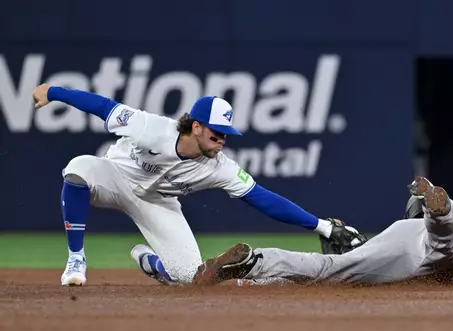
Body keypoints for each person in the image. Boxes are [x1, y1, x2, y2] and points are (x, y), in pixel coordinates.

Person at [31, 83, 365, 287]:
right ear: (194, 126)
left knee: (190, 278)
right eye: (216, 133)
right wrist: (54, 92)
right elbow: (102, 106)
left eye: (226, 135)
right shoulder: (150, 128)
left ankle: (150, 262)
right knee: (77, 169)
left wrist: (321, 226)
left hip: (157, 204)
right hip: (114, 178)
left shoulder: (219, 168)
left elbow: (263, 199)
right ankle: (76, 258)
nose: (222, 140)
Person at [193, 177, 453, 290]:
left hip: (400, 245)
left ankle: (255, 260)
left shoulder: (399, 225)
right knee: (448, 246)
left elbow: (361, 250)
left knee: (330, 267)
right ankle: (443, 209)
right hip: (445, 245)